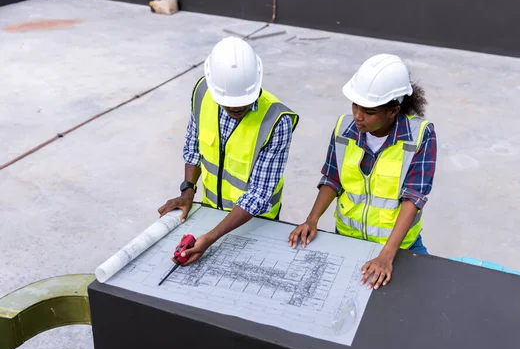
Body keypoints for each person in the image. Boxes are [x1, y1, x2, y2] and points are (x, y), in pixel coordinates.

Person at [288, 54, 437, 290]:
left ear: (393, 110)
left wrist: (387, 256)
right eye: (355, 105)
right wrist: (312, 219)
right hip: (346, 238)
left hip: (399, 247)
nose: (358, 115)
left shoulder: (419, 136)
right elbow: (332, 178)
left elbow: (414, 198)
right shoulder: (344, 129)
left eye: (368, 110)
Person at [158, 36, 299, 265]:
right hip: (211, 211)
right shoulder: (203, 93)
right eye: (228, 101)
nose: (235, 106)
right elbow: (194, 145)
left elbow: (260, 194)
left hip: (257, 223)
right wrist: (188, 190)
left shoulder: (276, 120)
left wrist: (212, 237)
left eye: (242, 101)